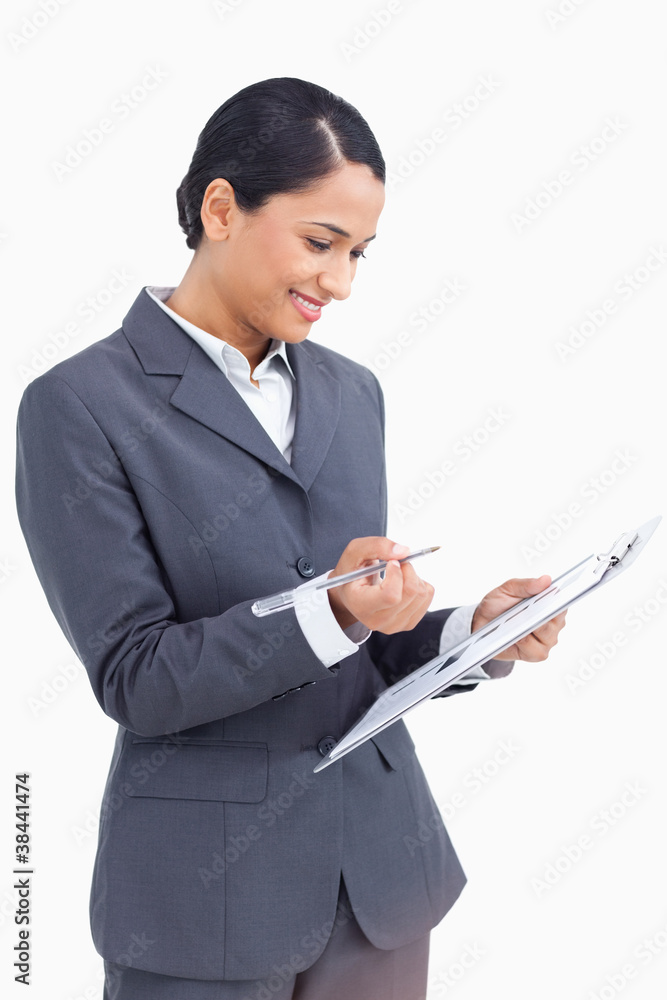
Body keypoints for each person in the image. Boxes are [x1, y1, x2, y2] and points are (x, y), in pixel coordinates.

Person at [15, 77, 566, 1000]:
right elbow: (136, 678)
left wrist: (475, 631)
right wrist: (331, 611)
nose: (339, 283)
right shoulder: (79, 406)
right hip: (202, 904)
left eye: (358, 253)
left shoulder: (352, 392)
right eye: (319, 242)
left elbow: (358, 648)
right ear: (220, 209)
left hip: (381, 880)